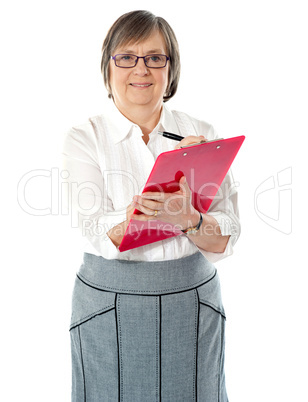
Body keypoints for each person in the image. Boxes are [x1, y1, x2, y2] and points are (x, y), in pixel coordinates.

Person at [63, 10, 240, 401]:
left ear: (169, 69)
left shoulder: (202, 136)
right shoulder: (84, 137)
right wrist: (147, 212)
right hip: (109, 304)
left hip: (191, 303)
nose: (140, 69)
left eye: (154, 57)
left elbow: (227, 237)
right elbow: (96, 232)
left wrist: (191, 218)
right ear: (108, 66)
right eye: (126, 57)